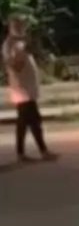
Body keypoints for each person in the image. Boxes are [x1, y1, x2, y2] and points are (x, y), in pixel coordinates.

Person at [3, 15, 55, 163]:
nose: (22, 27)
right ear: (11, 26)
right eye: (18, 24)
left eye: (23, 25)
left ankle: (23, 153)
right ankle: (42, 152)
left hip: (27, 90)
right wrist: (23, 50)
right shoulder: (10, 45)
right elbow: (15, 66)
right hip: (22, 91)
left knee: (25, 122)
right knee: (33, 121)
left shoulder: (20, 42)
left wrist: (27, 47)